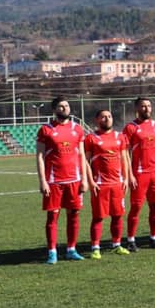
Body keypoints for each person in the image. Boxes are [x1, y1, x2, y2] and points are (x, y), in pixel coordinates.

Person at [36, 96, 88, 263]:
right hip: (54, 181)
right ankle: (52, 252)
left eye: (66, 105)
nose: (65, 108)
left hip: (74, 179)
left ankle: (71, 249)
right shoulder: (46, 130)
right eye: (61, 106)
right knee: (53, 216)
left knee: (74, 215)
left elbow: (82, 155)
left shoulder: (77, 129)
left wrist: (85, 179)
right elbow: (40, 156)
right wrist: (43, 181)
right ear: (54, 110)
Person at [123, 97, 155, 251]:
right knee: (136, 207)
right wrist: (129, 175)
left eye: (149, 106)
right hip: (139, 173)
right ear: (137, 109)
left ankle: (154, 238)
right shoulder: (130, 128)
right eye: (143, 106)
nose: (147, 108)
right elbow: (125, 154)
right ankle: (131, 240)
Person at [85, 109, 131, 259]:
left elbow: (124, 158)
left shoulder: (120, 137)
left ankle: (116, 245)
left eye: (109, 116)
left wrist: (126, 178)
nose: (107, 119)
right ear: (97, 120)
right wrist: (91, 181)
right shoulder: (91, 138)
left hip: (117, 183)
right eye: (103, 117)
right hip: (100, 184)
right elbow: (85, 161)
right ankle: (95, 248)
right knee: (98, 217)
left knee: (118, 215)